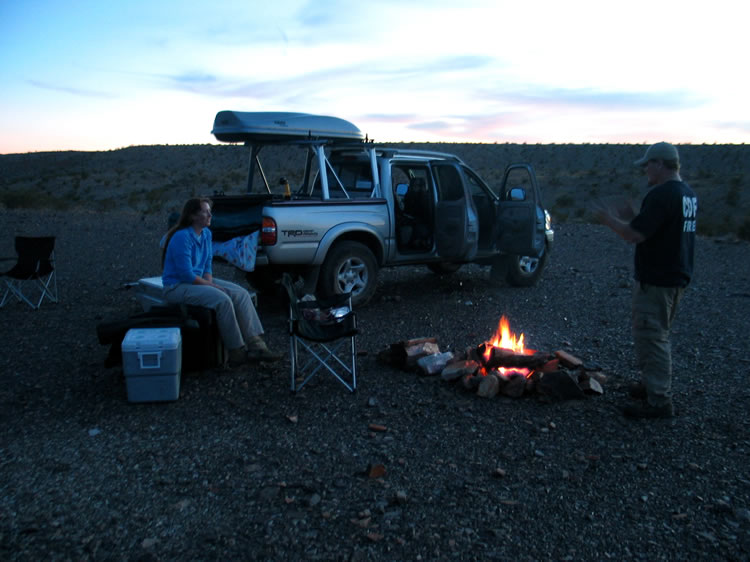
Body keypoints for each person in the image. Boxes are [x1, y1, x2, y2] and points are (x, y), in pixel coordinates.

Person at [594, 142, 697, 419]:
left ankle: (659, 401)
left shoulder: (661, 195)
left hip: (658, 280)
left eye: (647, 166)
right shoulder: (686, 193)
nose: (645, 172)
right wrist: (633, 216)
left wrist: (610, 220)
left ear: (660, 164)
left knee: (652, 337)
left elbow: (635, 235)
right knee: (654, 333)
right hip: (675, 277)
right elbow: (655, 228)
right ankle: (651, 385)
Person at [161, 197, 282, 366]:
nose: (210, 215)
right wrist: (212, 287)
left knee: (241, 294)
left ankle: (257, 346)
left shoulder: (206, 234)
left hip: (197, 281)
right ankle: (236, 352)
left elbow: (207, 265)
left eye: (210, 211)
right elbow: (186, 274)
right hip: (177, 286)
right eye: (205, 211)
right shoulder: (182, 237)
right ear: (193, 216)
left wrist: (210, 283)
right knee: (222, 300)